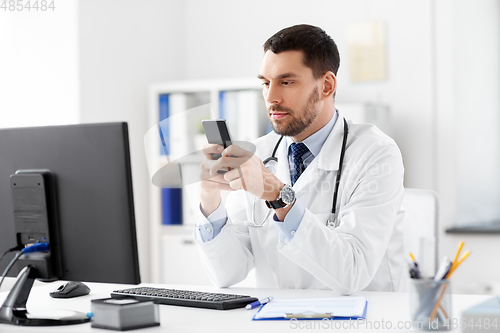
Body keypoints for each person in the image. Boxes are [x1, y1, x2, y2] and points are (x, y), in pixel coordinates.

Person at [194, 24, 404, 294]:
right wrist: (210, 200)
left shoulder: (376, 154)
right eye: (265, 83)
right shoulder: (258, 154)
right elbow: (227, 273)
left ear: (326, 85)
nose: (271, 98)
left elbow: (353, 272)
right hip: (277, 319)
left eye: (286, 82)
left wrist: (277, 193)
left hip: (357, 320)